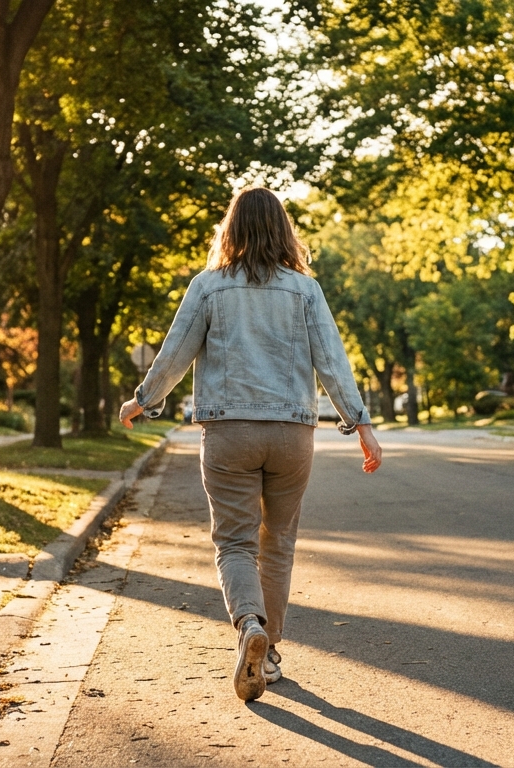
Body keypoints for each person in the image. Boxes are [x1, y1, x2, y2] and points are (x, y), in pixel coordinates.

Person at [119, 187, 382, 702]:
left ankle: (248, 626)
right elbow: (332, 360)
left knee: (235, 542)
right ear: (285, 232)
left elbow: (175, 353)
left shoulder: (208, 286)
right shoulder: (306, 291)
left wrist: (143, 401)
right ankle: (273, 652)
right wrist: (362, 426)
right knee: (277, 542)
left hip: (228, 432)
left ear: (230, 230)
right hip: (291, 434)